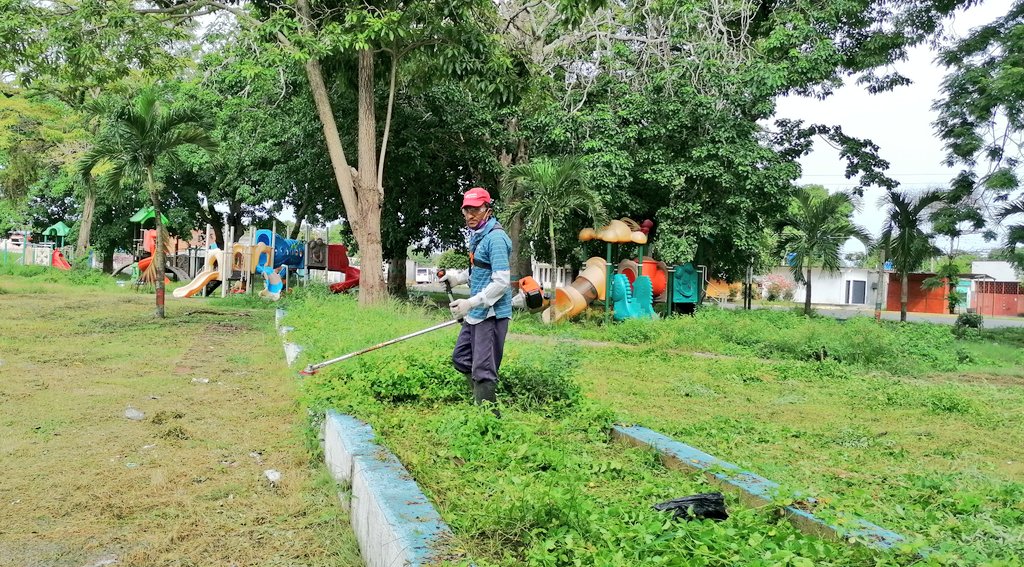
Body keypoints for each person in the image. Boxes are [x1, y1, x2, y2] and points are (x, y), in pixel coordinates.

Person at [439, 187, 513, 411]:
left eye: (476, 210)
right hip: (477, 312)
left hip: (491, 314)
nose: (470, 215)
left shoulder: (496, 239)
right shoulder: (479, 235)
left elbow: (501, 283)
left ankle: (489, 417)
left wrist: (468, 303)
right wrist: (456, 279)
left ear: (487, 210)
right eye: (466, 211)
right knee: (461, 358)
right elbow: (478, 270)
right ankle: (480, 398)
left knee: (483, 367)